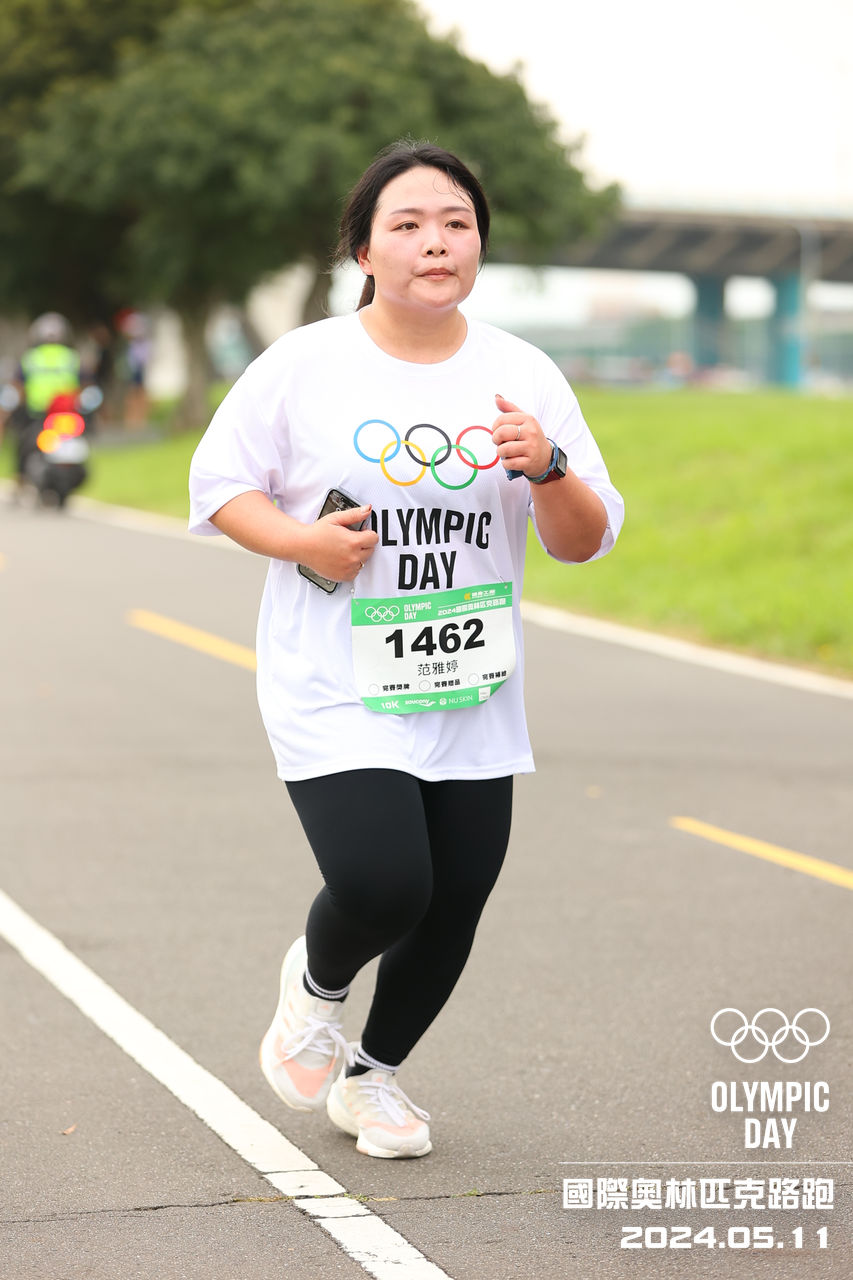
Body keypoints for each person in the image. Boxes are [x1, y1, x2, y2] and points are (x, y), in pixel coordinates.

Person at [188, 141, 624, 1159]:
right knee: (388, 883)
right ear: (364, 250)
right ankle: (316, 987)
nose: (436, 241)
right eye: (409, 224)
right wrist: (302, 541)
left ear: (478, 245)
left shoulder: (522, 372)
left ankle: (372, 1077)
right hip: (335, 676)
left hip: (469, 679)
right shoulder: (304, 364)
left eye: (456, 223)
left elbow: (582, 537)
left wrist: (549, 466)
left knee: (455, 897)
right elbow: (222, 487)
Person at [7, 313, 81, 493]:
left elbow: (18, 385)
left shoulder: (31, 358)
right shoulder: (71, 357)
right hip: (65, 412)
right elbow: (83, 384)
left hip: (38, 412)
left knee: (24, 443)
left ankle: (21, 478)